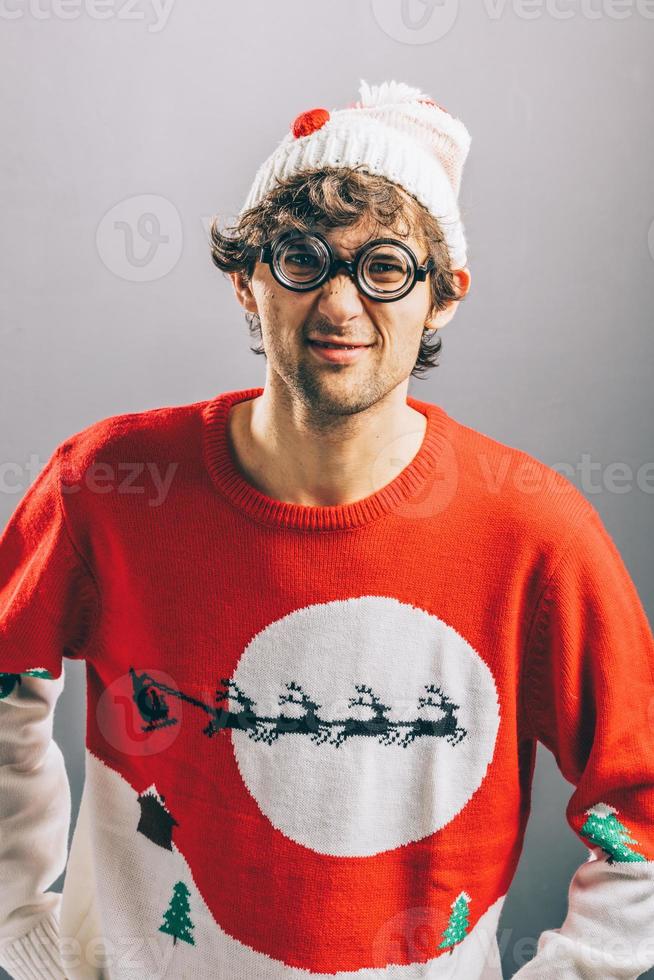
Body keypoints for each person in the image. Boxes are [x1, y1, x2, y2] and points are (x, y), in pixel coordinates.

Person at [0, 79, 652, 980]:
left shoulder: (533, 532)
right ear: (246, 278)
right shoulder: (107, 484)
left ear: (444, 296)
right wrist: (19, 928)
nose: (341, 306)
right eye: (302, 259)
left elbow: (644, 801)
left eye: (385, 267)